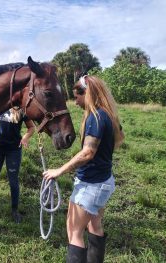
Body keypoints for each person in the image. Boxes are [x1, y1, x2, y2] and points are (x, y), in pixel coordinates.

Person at [43, 75, 124, 263]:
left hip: (90, 185)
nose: (75, 102)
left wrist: (59, 170)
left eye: (77, 97)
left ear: (87, 93)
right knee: (94, 225)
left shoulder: (95, 117)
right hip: (104, 181)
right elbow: (119, 138)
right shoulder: (108, 114)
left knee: (74, 232)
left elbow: (88, 152)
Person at [0, 107, 35, 223]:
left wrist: (25, 137)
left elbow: (32, 127)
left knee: (13, 181)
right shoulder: (2, 107)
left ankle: (14, 210)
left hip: (14, 150)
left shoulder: (22, 110)